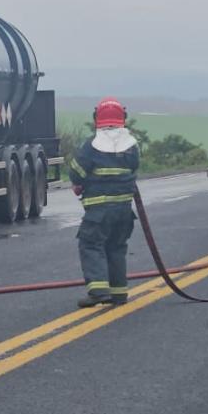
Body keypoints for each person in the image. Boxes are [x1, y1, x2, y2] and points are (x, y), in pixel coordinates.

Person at [70, 97, 140, 308]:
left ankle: (99, 291)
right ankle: (119, 293)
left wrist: (78, 183)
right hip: (124, 210)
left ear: (96, 118)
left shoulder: (93, 145)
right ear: (123, 119)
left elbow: (76, 171)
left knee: (91, 244)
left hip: (99, 210)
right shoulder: (131, 145)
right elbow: (134, 169)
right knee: (116, 247)